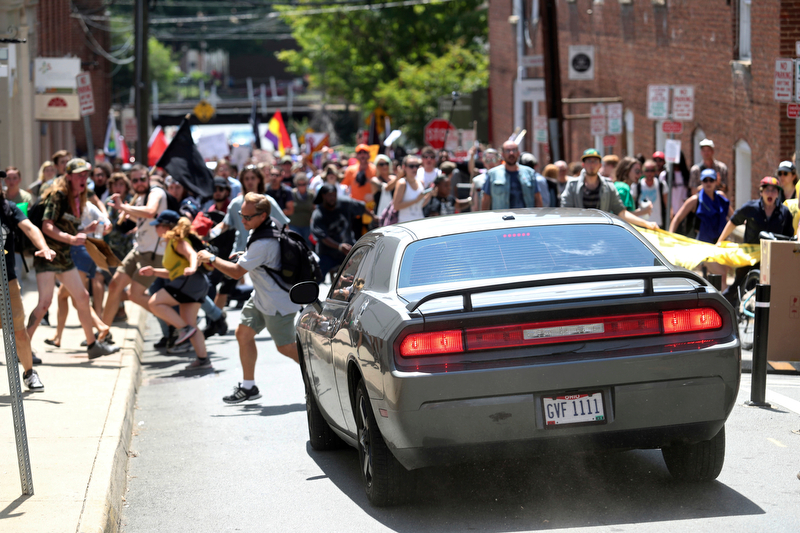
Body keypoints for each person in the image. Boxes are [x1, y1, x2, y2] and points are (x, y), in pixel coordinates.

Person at [196, 193, 302, 403]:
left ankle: (321, 372)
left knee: (286, 347)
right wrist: (245, 256)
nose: (242, 221)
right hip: (262, 296)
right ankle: (248, 387)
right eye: (241, 215)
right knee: (243, 333)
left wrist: (211, 258)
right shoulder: (263, 230)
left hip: (276, 302)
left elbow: (236, 273)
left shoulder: (263, 242)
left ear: (262, 216)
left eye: (247, 217)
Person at [26, 159, 119, 360]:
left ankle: (93, 345)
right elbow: (47, 226)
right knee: (45, 303)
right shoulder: (57, 196)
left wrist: (87, 230)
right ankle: (23, 346)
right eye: (79, 174)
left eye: (85, 174)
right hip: (48, 254)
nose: (83, 178)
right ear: (68, 176)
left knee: (83, 297)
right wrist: (71, 239)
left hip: (65, 256)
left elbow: (69, 229)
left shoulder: (78, 198)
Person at [0, 174, 56, 389]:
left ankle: (29, 373)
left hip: (8, 280)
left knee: (19, 333)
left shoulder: (9, 208)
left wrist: (43, 247)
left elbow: (30, 227)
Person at [140, 211, 212, 370]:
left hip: (190, 281)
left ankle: (183, 329)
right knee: (191, 323)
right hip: (194, 283)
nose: (155, 228)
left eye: (158, 225)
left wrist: (193, 267)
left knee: (154, 302)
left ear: (166, 226)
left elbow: (192, 254)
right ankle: (203, 360)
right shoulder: (170, 243)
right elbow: (173, 273)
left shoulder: (177, 241)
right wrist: (154, 271)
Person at [101, 165, 168, 331]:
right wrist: (123, 211)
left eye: (142, 179)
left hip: (154, 253)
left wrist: (123, 208)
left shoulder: (156, 192)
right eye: (135, 180)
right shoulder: (139, 198)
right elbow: (140, 218)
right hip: (139, 250)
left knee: (134, 295)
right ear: (131, 183)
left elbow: (151, 211)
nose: (139, 183)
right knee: (114, 286)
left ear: (148, 178)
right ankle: (103, 333)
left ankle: (177, 325)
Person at [717, 176, 794, 306]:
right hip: (749, 257)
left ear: (778, 193)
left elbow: (789, 236)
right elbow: (733, 222)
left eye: (774, 190)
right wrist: (720, 240)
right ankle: (726, 309)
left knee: (772, 290)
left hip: (772, 257)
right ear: (761, 192)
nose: (770, 193)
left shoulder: (784, 212)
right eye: (767, 190)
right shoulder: (750, 208)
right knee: (738, 287)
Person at [561, 149, 659, 230]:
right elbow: (566, 212)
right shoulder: (572, 185)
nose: (592, 164)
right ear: (583, 164)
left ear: (600, 165)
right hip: (579, 234)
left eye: (595, 161)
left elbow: (621, 212)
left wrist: (646, 223)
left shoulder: (608, 186)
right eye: (588, 161)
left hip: (602, 234)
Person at [669, 168, 732, 289]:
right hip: (703, 244)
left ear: (716, 182)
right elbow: (677, 218)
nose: (708, 183)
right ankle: (726, 304)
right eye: (705, 180)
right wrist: (670, 236)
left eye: (711, 180)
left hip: (721, 243)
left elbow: (733, 218)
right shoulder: (695, 199)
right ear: (701, 182)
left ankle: (716, 301)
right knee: (721, 274)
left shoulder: (721, 197)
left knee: (721, 277)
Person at [311, 183, 369, 278]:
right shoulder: (318, 215)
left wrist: (374, 217)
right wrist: (339, 246)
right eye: (329, 195)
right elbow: (323, 237)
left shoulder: (345, 203)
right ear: (323, 196)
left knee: (361, 277)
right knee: (316, 278)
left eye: (334, 195)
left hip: (347, 251)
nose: (332, 198)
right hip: (327, 253)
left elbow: (361, 207)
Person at [481, 141, 542, 210]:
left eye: (514, 150)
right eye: (507, 151)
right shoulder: (492, 174)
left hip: (526, 218)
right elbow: (486, 200)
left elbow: (537, 198)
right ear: (502, 154)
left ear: (518, 153)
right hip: (501, 219)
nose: (511, 153)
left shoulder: (530, 173)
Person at [393, 154, 433, 223]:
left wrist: (430, 194)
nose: (415, 169)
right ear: (404, 167)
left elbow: (421, 205)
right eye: (411, 166)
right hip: (405, 224)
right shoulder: (402, 183)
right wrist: (416, 200)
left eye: (417, 166)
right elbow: (396, 206)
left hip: (419, 221)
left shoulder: (421, 182)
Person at [634, 159, 670, 228]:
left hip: (657, 223)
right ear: (643, 171)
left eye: (652, 170)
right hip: (641, 223)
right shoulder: (637, 185)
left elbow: (667, 204)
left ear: (655, 171)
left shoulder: (661, 185)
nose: (649, 173)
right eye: (647, 170)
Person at [289, 172, 315, 244]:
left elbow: (314, 209)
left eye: (304, 184)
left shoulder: (311, 195)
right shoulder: (291, 194)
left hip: (307, 225)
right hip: (294, 224)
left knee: (307, 246)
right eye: (299, 184)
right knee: (295, 245)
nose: (302, 186)